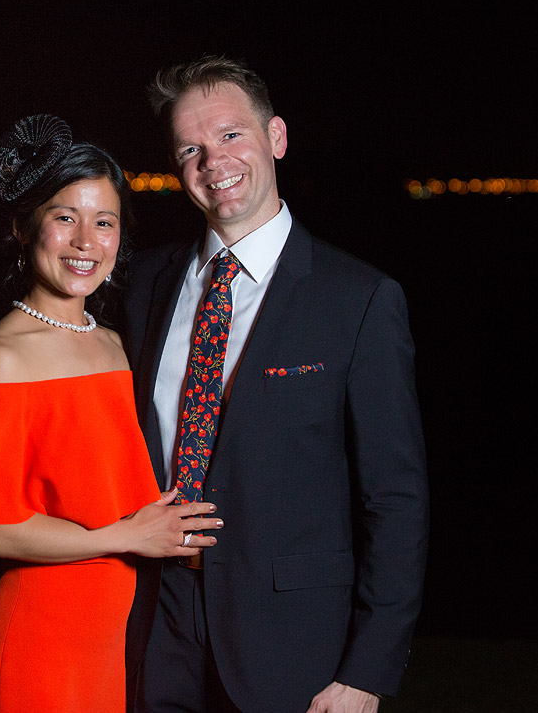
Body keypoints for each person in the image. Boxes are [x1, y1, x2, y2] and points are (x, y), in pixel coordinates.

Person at [123, 56, 429, 713]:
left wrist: (367, 672)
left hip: (293, 642)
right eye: (190, 148)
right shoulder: (144, 285)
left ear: (277, 138)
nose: (214, 162)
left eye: (231, 135)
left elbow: (396, 497)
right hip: (155, 625)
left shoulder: (359, 298)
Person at [0, 114, 224, 712]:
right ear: (24, 230)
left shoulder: (111, 342)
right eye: (64, 218)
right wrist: (129, 535)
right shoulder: (4, 357)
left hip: (119, 634)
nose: (86, 242)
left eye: (104, 222)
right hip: (44, 637)